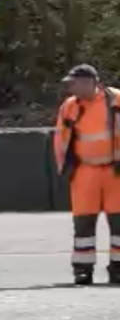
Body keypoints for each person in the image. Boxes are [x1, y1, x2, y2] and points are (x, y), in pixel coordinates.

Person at [54, 63, 120, 285]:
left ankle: (118, 268)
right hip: (84, 171)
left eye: (75, 82)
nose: (71, 87)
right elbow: (60, 139)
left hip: (115, 170)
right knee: (83, 224)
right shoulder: (69, 107)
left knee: (119, 223)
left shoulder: (116, 100)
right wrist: (65, 168)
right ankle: (83, 269)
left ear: (91, 83)